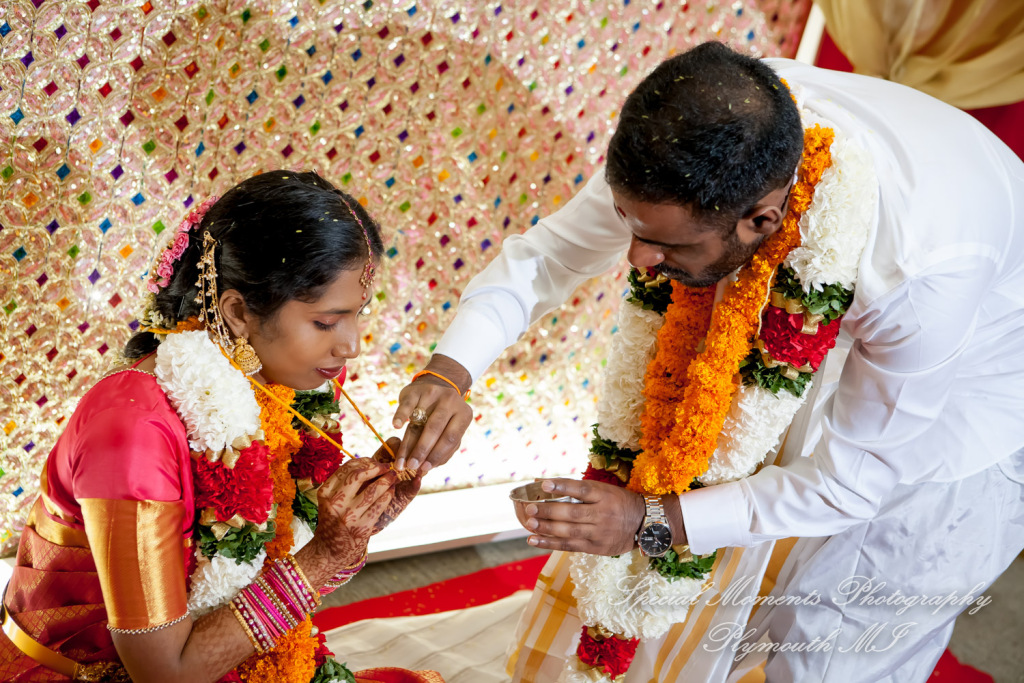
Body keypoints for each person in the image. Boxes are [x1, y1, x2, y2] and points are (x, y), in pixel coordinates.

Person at [391, 42, 1024, 681]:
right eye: (627, 225)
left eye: (662, 244)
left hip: (978, 403)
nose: (636, 259)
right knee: (731, 585)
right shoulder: (703, 134)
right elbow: (552, 255)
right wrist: (450, 370)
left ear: (762, 220)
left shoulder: (915, 276)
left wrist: (649, 522)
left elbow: (850, 482)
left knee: (835, 640)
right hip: (867, 343)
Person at [0, 171, 443, 683]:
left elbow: (263, 547)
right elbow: (164, 674)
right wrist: (322, 560)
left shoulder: (269, 377)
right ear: (236, 312)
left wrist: (362, 520)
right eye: (326, 322)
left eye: (356, 315)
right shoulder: (133, 431)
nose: (352, 346)